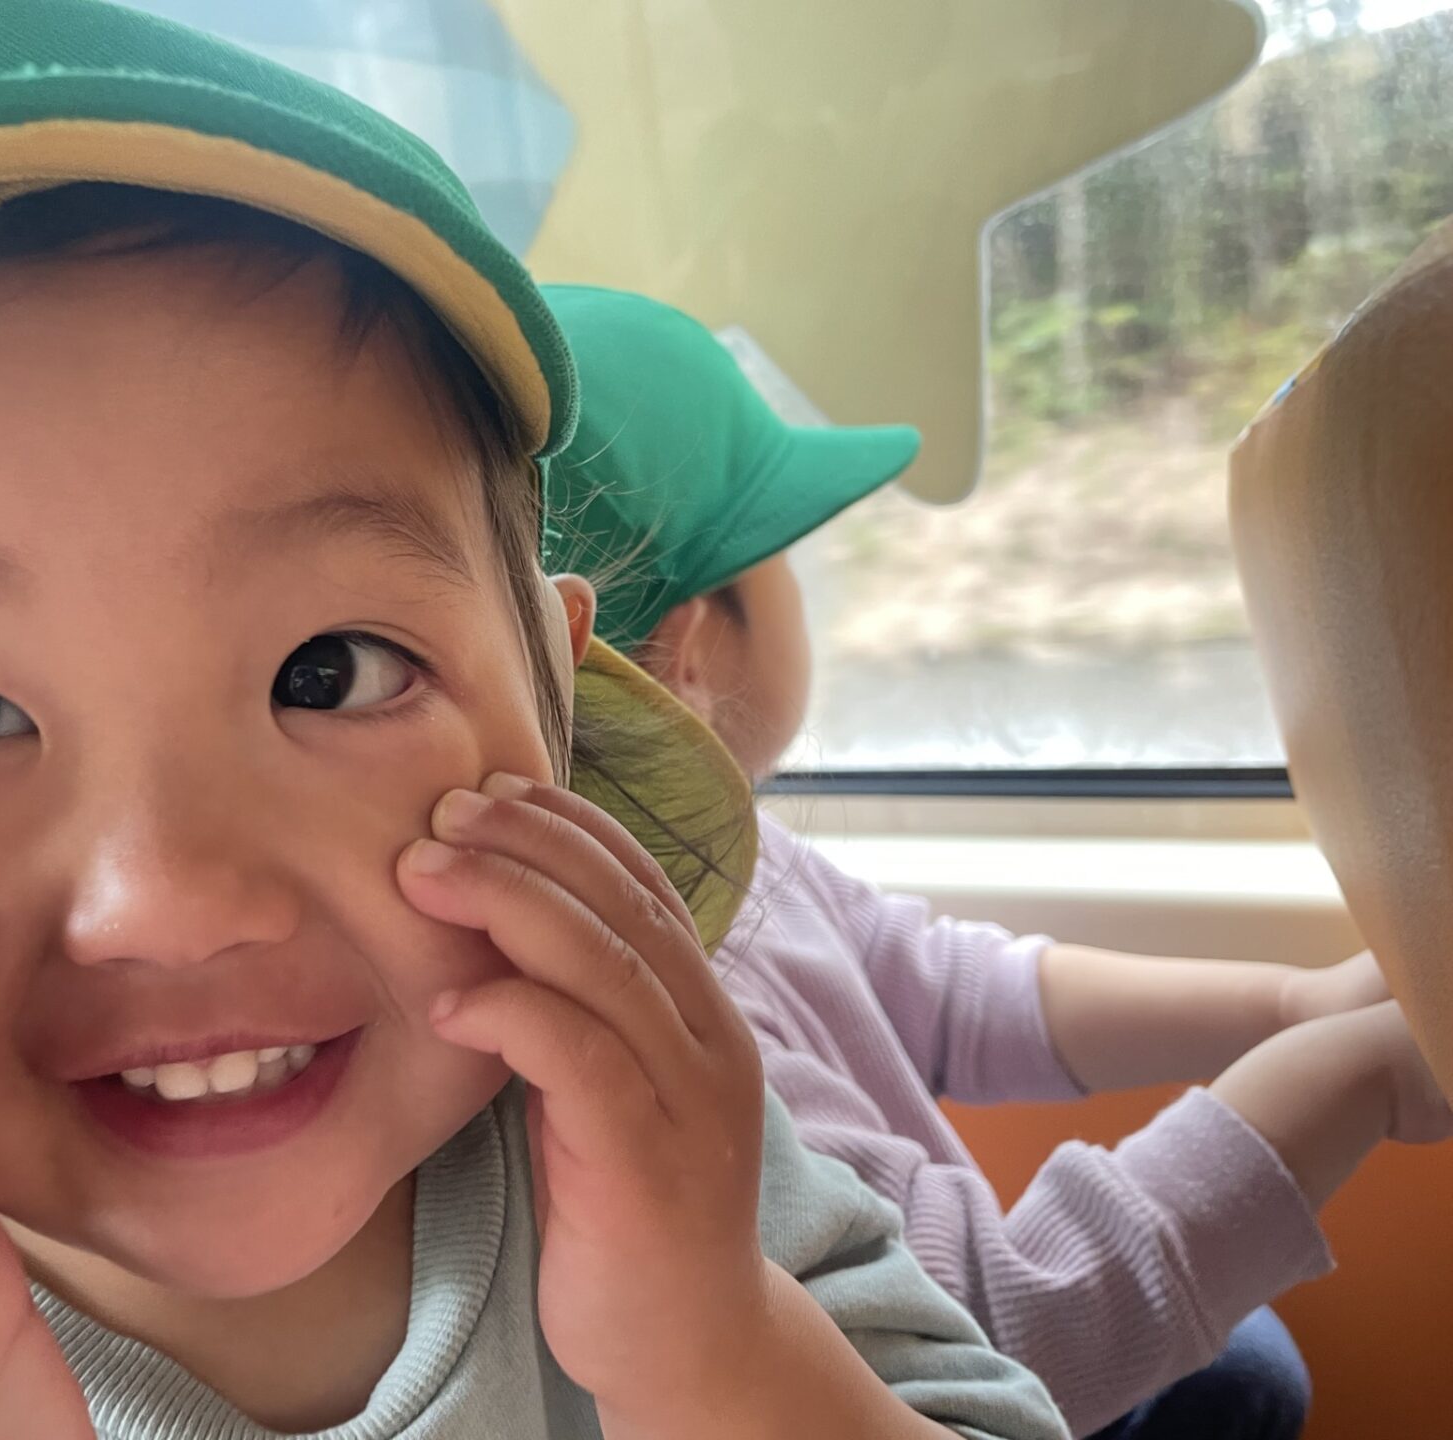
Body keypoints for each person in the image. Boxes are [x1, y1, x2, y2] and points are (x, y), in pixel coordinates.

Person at [0, 4, 1069, 1439]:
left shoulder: (669, 1172)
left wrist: (716, 1350)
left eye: (330, 670)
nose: (169, 903)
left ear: (551, 699)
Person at [541, 282, 1453, 1440]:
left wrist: (1292, 1004)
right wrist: (1354, 1076)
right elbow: (989, 1330)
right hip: (939, 1398)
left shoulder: (732, 853)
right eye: (783, 566)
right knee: (1241, 1377)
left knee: (1245, 1369)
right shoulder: (676, 1039)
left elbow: (959, 993)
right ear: (692, 652)